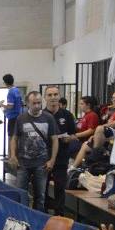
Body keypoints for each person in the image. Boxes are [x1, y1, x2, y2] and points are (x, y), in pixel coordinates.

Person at [9, 91, 59, 211]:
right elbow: (14, 138)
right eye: (34, 103)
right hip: (23, 162)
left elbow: (55, 140)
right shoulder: (21, 118)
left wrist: (52, 160)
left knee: (40, 196)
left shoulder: (48, 118)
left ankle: (37, 222)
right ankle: (21, 217)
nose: (37, 106)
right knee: (20, 194)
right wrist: (13, 155)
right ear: (27, 104)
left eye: (39, 103)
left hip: (41, 163)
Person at [43, 86, 77, 216]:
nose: (53, 98)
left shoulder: (67, 115)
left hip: (62, 157)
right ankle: (43, 213)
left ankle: (60, 216)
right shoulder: (41, 115)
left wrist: (69, 138)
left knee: (59, 188)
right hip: (44, 158)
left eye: (55, 94)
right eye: (50, 95)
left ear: (59, 96)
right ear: (45, 97)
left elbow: (74, 135)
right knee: (42, 188)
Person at [74, 91, 115, 169]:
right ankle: (73, 168)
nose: (114, 99)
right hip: (108, 135)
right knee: (85, 146)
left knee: (100, 128)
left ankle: (94, 157)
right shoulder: (114, 111)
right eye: (113, 98)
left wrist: (75, 136)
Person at [69, 95, 100, 160]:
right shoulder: (86, 115)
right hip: (79, 141)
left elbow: (91, 130)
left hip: (85, 143)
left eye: (82, 104)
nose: (80, 106)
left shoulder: (92, 115)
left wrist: (76, 135)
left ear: (88, 105)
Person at [0, 74, 23, 142]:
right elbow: (20, 103)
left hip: (13, 118)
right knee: (16, 138)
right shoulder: (17, 90)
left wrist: (1, 105)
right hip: (18, 116)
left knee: (11, 138)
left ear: (5, 83)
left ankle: (11, 152)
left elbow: (10, 106)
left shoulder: (11, 92)